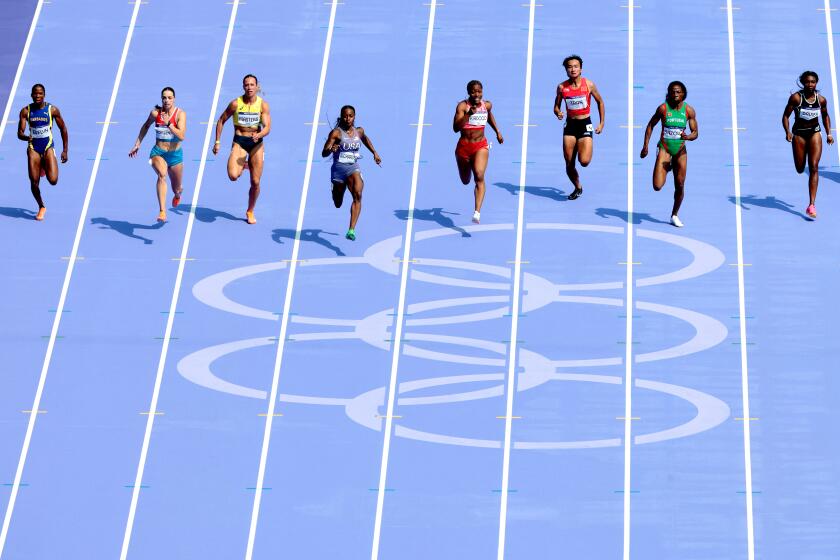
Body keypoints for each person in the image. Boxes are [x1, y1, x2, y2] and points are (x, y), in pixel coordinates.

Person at [213, 74, 271, 224]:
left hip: (256, 144)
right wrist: (217, 142)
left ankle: (250, 210)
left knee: (255, 182)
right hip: (239, 142)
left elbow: (267, 127)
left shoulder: (262, 105)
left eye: (252, 84)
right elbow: (221, 120)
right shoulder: (235, 104)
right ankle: (247, 165)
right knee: (233, 175)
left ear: (257, 86)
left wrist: (260, 134)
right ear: (243, 87)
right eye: (247, 85)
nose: (249, 87)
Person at [640, 81, 698, 227]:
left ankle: (674, 214)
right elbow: (650, 125)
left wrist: (688, 137)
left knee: (679, 184)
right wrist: (645, 146)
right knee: (657, 186)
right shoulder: (663, 108)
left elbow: (695, 132)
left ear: (683, 93)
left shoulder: (689, 110)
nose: (675, 94)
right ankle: (667, 165)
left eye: (678, 92)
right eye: (672, 91)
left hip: (680, 150)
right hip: (665, 148)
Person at [321, 105, 381, 240]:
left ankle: (351, 230)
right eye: (345, 116)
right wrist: (331, 149)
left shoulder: (359, 131)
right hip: (338, 171)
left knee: (358, 194)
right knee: (338, 203)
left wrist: (374, 152)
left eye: (350, 116)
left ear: (354, 116)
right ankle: (335, 189)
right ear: (342, 116)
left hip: (353, 168)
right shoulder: (336, 133)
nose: (348, 119)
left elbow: (365, 139)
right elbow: (323, 153)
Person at [129, 86, 186, 222]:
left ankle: (178, 194)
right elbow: (145, 126)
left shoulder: (180, 114)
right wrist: (137, 144)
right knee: (162, 174)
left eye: (169, 98)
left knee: (176, 188)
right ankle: (162, 211)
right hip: (158, 152)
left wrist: (169, 125)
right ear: (161, 99)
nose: (166, 100)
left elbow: (182, 135)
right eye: (164, 98)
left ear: (174, 99)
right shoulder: (155, 113)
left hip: (175, 155)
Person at [782, 70, 833, 219]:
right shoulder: (796, 98)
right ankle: (800, 159)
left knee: (814, 167)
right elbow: (785, 116)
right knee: (800, 168)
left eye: (813, 82)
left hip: (814, 134)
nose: (810, 84)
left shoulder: (821, 100)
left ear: (816, 83)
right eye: (807, 82)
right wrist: (787, 132)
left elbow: (825, 116)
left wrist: (829, 133)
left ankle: (811, 205)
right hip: (799, 135)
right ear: (803, 83)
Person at [553, 55, 605, 200]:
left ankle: (583, 146)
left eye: (576, 66)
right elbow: (556, 106)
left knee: (584, 161)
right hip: (570, 126)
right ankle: (578, 187)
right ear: (566, 70)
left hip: (585, 124)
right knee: (569, 164)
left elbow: (600, 102)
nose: (573, 69)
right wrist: (558, 112)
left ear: (580, 68)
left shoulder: (589, 84)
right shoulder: (562, 87)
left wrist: (601, 123)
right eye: (569, 67)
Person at [453, 80, 503, 224]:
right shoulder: (462, 106)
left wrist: (498, 132)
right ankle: (467, 174)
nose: (477, 94)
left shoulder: (486, 105)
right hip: (463, 148)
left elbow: (489, 116)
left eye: (479, 91)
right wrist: (468, 114)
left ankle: (477, 212)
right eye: (474, 91)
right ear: (468, 92)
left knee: (479, 175)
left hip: (480, 146)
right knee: (465, 180)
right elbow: (455, 128)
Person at [17, 83, 69, 221]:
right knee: (34, 182)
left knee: (53, 181)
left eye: (40, 93)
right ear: (31, 95)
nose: (37, 96)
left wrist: (65, 150)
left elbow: (63, 129)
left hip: (47, 147)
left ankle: (44, 165)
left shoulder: (52, 110)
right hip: (33, 148)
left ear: (44, 95)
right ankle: (41, 206)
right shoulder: (25, 111)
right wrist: (26, 137)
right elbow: (19, 133)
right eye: (35, 93)